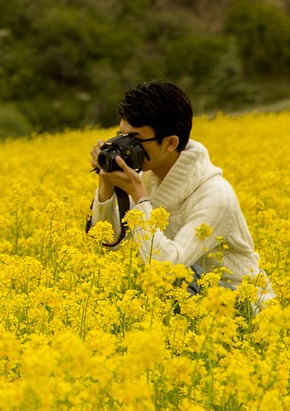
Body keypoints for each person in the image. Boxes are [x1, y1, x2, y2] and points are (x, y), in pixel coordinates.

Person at [87, 80, 273, 309]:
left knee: (170, 276)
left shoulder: (215, 196)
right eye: (120, 136)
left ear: (170, 143)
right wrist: (105, 182)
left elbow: (166, 268)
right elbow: (107, 244)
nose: (123, 146)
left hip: (244, 307)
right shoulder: (151, 176)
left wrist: (139, 198)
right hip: (197, 299)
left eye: (134, 140)